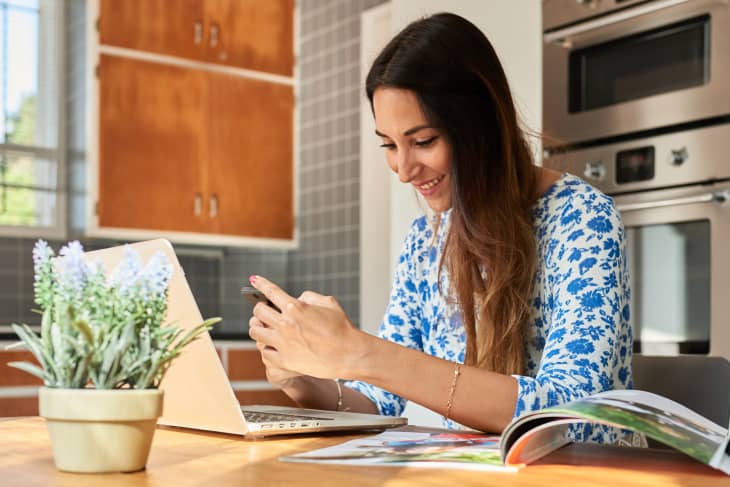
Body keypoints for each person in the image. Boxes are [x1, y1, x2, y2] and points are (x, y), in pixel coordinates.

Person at [248, 12, 632, 441]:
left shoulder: (582, 221)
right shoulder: (424, 242)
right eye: (389, 145)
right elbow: (375, 403)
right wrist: (301, 376)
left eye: (424, 141)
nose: (404, 169)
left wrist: (361, 351)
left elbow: (569, 413)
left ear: (480, 126)